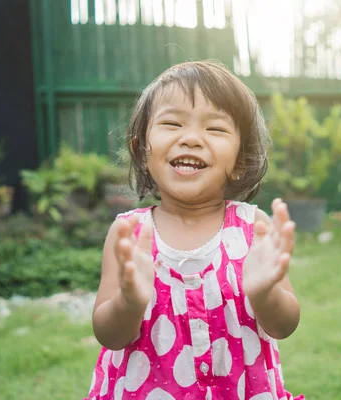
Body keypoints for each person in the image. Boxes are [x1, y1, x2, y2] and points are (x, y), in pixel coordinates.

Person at [84, 61, 304, 400]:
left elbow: (283, 326)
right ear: (141, 150)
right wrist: (129, 302)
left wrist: (264, 295)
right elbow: (109, 336)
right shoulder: (128, 234)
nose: (190, 139)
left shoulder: (254, 230)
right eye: (172, 123)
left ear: (240, 161)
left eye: (215, 129)